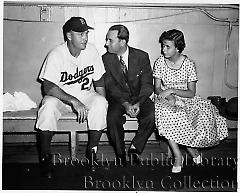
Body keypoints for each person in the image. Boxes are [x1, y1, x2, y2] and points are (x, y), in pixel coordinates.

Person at [36, 17, 108, 178]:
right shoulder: (56, 53)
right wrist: (73, 101)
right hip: (60, 97)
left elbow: (99, 81)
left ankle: (91, 153)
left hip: (84, 94)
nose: (85, 37)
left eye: (86, 33)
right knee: (47, 107)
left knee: (101, 102)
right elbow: (47, 87)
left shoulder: (92, 50)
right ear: (69, 36)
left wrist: (104, 106)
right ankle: (45, 158)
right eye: (81, 34)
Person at [153, 29, 228, 173]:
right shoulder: (160, 62)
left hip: (187, 99)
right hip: (165, 97)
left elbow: (191, 92)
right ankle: (178, 157)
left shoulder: (188, 64)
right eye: (163, 46)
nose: (163, 50)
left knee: (182, 117)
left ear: (178, 48)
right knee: (166, 113)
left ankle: (192, 150)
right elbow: (157, 88)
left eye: (167, 46)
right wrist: (168, 95)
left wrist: (172, 91)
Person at [102, 24, 155, 166]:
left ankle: (134, 149)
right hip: (118, 99)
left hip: (139, 98)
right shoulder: (105, 59)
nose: (106, 44)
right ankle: (120, 154)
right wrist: (125, 103)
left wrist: (139, 102)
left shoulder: (142, 56)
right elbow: (110, 86)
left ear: (122, 42)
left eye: (110, 40)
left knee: (153, 114)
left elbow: (147, 84)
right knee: (112, 117)